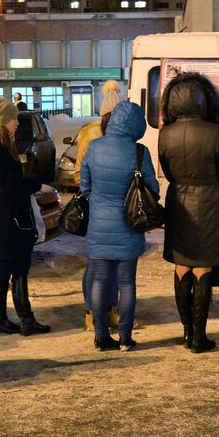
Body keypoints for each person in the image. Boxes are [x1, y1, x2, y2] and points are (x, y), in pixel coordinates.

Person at [159, 72, 219, 353]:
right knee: (203, 266)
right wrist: (210, 187)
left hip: (178, 201)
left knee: (181, 265)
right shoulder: (214, 132)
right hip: (209, 202)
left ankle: (186, 331)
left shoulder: (166, 133)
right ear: (203, 101)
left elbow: (166, 168)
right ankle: (199, 336)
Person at [80, 101, 157, 351]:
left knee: (100, 281)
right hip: (129, 226)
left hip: (99, 226)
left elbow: (85, 188)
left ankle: (100, 336)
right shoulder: (139, 152)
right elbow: (152, 190)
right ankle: (125, 336)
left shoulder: (94, 147)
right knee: (127, 283)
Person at [0, 97, 50, 335]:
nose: (17, 124)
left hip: (14, 215)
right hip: (8, 217)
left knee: (20, 265)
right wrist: (33, 183)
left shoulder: (1, 144)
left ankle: (26, 319)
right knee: (6, 267)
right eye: (13, 119)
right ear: (2, 120)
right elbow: (10, 185)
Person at [74, 79, 124, 332]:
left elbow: (78, 174)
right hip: (102, 209)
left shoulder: (113, 135)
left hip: (108, 208)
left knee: (107, 263)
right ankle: (96, 313)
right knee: (101, 263)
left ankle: (103, 311)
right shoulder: (92, 134)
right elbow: (79, 174)